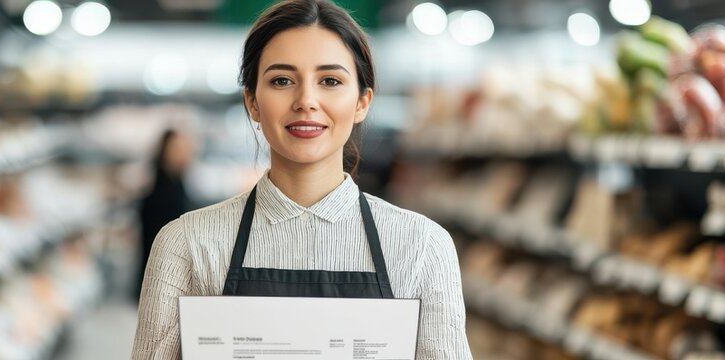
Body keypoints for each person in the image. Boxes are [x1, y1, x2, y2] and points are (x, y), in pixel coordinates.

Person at [131, 1, 472, 358]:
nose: (306, 100)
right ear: (252, 101)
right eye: (282, 80)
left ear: (362, 102)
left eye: (330, 81)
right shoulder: (186, 245)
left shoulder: (422, 247)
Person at [133, 129, 194, 303]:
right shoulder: (160, 187)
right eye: (178, 148)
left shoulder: (177, 181)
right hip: (160, 276)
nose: (185, 154)